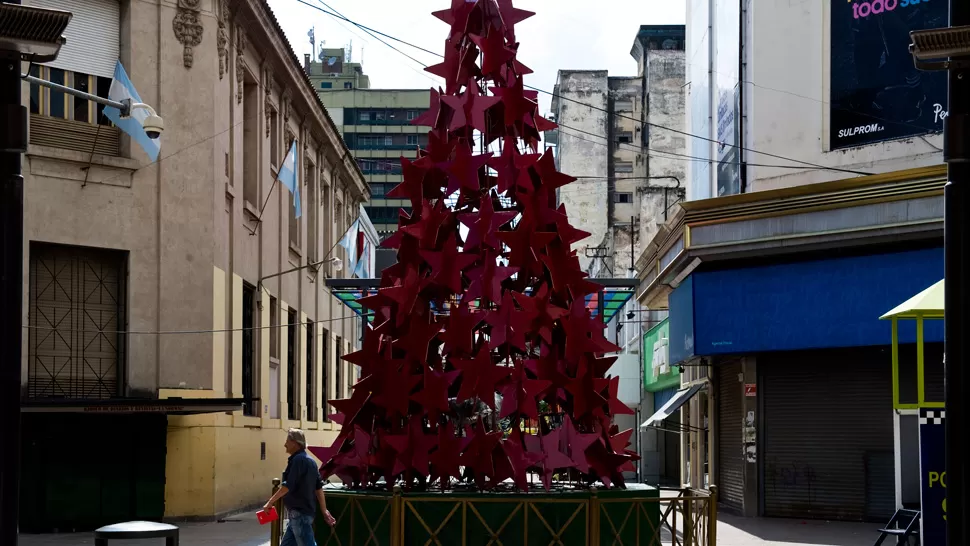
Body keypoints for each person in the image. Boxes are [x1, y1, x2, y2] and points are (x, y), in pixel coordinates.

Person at [264, 429, 336, 545]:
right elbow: (318, 488)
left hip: (299, 515)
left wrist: (270, 502)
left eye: (287, 441)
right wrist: (324, 510)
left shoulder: (298, 460)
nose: (285, 444)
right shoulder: (311, 461)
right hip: (301, 514)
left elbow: (287, 486)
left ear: (295, 443)